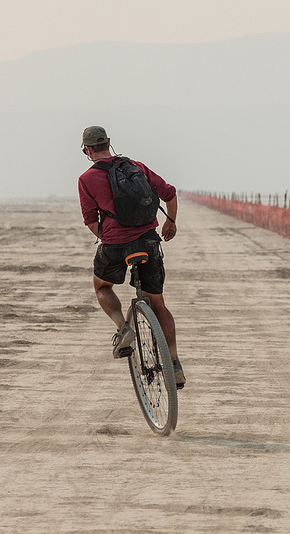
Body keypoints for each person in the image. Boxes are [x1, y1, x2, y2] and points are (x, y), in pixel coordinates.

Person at [77, 125, 185, 389]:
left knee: (102, 286)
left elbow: (91, 221)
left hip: (115, 245)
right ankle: (174, 364)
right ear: (109, 143)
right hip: (148, 241)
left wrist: (110, 236)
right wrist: (170, 222)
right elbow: (169, 194)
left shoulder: (86, 179)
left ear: (87, 150)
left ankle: (123, 329)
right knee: (158, 304)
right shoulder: (135, 166)